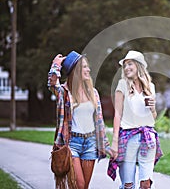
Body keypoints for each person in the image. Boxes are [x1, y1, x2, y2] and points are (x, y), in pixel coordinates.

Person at [48, 51, 112, 189]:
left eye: (87, 66)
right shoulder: (64, 93)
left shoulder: (93, 92)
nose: (88, 69)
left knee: (84, 187)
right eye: (84, 67)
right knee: (79, 185)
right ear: (75, 70)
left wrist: (106, 146)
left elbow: (99, 122)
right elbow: (52, 83)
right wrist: (56, 65)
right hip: (72, 144)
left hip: (90, 143)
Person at [107, 50, 163, 189]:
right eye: (124, 65)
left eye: (129, 64)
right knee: (128, 185)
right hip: (128, 137)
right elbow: (117, 115)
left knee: (146, 184)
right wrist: (114, 142)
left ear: (138, 65)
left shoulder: (151, 87)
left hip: (148, 136)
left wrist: (153, 109)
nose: (126, 68)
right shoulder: (122, 85)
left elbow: (153, 117)